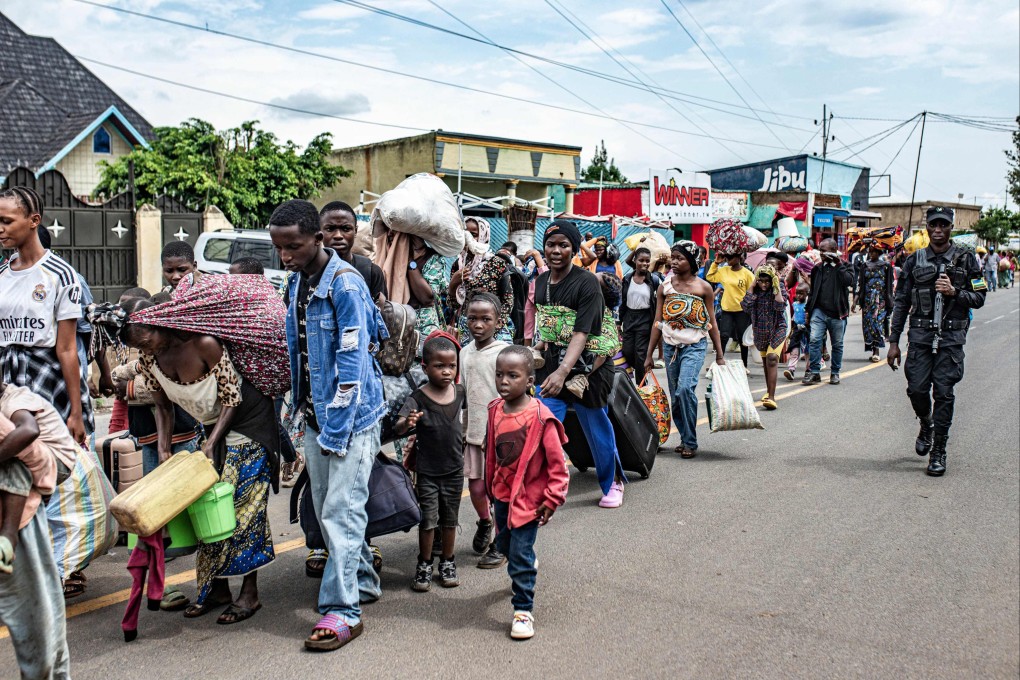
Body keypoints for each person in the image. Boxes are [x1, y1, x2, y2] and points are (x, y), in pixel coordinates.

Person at [113, 299, 278, 625]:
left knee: (242, 508)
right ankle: (216, 588)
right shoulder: (149, 359)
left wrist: (211, 442)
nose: (145, 349)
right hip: (212, 429)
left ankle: (250, 593)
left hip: (249, 422)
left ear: (159, 323)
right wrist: (163, 451)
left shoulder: (204, 343)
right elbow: (163, 407)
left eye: (145, 340)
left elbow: (233, 397)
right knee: (206, 509)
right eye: (137, 346)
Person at [269, 199, 387, 651]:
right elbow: (300, 353)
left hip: (352, 418)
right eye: (278, 248)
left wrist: (335, 426)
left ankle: (344, 611)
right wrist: (299, 412)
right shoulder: (297, 282)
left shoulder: (346, 285)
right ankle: (363, 583)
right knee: (327, 508)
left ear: (317, 239)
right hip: (317, 415)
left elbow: (352, 362)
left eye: (294, 246)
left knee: (341, 509)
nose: (285, 256)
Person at [529, 220, 626, 508]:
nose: (556, 250)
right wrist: (530, 352)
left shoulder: (587, 283)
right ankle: (543, 484)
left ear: (574, 250)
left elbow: (582, 333)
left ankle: (613, 483)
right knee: (543, 422)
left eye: (563, 245)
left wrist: (563, 372)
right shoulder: (541, 281)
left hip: (589, 366)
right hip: (554, 361)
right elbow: (548, 328)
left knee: (595, 425)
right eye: (551, 244)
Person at [887, 206, 985, 476]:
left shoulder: (967, 260)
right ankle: (926, 423)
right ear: (927, 227)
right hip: (919, 337)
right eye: (934, 225)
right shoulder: (913, 260)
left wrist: (955, 292)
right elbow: (901, 302)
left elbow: (980, 296)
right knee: (917, 389)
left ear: (952, 227)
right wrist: (894, 341)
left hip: (951, 338)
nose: (938, 230)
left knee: (944, 393)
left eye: (944, 225)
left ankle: (939, 450)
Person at [484, 345, 569, 640]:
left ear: (530, 380)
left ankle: (523, 610)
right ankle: (525, 560)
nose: (503, 381)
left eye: (512, 375)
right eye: (499, 374)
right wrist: (487, 488)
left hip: (530, 501)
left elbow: (558, 465)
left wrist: (552, 498)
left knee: (518, 555)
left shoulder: (541, 418)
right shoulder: (495, 410)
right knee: (505, 546)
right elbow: (491, 455)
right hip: (502, 496)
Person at [0, 187, 88, 447]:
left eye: (6, 221)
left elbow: (67, 348)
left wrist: (76, 411)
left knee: (47, 458)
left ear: (34, 221)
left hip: (46, 376)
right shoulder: (2, 273)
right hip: (5, 377)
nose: (0, 228)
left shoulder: (61, 275)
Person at [0, 382, 72, 679]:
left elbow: (28, 438)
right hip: (35, 489)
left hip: (47, 473)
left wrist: (9, 534)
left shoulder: (13, 406)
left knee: (39, 630)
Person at [394, 335, 466, 592]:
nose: (447, 371)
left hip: (455, 471)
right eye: (439, 366)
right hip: (427, 473)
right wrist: (408, 423)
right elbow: (400, 424)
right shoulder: (418, 398)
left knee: (450, 520)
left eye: (452, 366)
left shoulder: (459, 392)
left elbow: (465, 418)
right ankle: (424, 564)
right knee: (427, 521)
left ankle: (448, 562)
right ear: (425, 367)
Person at [644, 241, 725, 456]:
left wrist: (720, 355)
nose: (674, 262)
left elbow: (712, 323)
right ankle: (684, 435)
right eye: (673, 257)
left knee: (685, 389)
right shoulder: (665, 287)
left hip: (694, 347)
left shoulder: (703, 287)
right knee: (676, 396)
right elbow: (658, 322)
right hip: (671, 349)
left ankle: (690, 441)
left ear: (691, 261)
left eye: (680, 258)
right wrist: (649, 354)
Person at [458, 292, 509, 569]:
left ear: (498, 322)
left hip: (501, 437)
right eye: (472, 318)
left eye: (485, 319)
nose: (478, 324)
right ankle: (485, 521)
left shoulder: (504, 353)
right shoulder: (464, 352)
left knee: (501, 492)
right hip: (474, 434)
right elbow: (462, 391)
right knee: (476, 488)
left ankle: (500, 544)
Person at [451, 217, 515, 344]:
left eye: (474, 234)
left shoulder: (496, 263)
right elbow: (452, 305)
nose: (468, 238)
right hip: (466, 328)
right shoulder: (458, 265)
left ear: (483, 235)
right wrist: (454, 283)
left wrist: (494, 326)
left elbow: (508, 300)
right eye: (465, 233)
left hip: (493, 327)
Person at [802, 239, 852, 385]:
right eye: (820, 250)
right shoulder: (817, 268)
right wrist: (808, 311)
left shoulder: (845, 266)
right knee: (815, 340)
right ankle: (815, 372)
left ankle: (835, 372)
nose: (821, 253)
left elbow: (848, 281)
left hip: (837, 313)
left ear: (834, 250)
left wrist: (838, 264)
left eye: (824, 251)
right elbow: (813, 291)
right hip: (819, 311)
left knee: (837, 344)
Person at [319, 201, 387, 305]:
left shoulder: (371, 272)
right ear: (319, 233)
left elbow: (380, 317)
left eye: (346, 229)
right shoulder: (307, 273)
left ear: (355, 231)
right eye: (330, 229)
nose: (338, 235)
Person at [741, 265, 788, 410]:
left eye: (767, 281)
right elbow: (745, 306)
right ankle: (769, 392)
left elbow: (781, 307)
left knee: (772, 358)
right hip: (760, 330)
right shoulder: (754, 289)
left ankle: (772, 398)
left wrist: (776, 287)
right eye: (761, 281)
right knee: (766, 363)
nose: (764, 284)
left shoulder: (778, 286)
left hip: (777, 328)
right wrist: (752, 286)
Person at [706, 252, 755, 369]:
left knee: (742, 339)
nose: (728, 259)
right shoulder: (724, 270)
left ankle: (744, 365)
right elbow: (710, 276)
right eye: (726, 257)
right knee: (723, 336)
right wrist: (716, 263)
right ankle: (719, 362)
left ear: (739, 257)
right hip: (727, 310)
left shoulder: (747, 274)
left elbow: (752, 291)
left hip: (742, 311)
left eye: (731, 257)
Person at [620, 247, 660, 384]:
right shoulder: (627, 279)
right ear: (635, 261)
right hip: (629, 318)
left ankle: (642, 386)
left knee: (640, 353)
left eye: (647, 261)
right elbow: (623, 301)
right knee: (627, 351)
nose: (644, 263)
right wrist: (619, 321)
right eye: (641, 260)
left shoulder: (653, 280)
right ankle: (640, 373)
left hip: (645, 319)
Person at [853, 246, 894, 363]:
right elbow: (860, 284)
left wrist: (890, 300)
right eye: (870, 252)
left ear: (879, 252)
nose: (871, 254)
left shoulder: (886, 266)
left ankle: (877, 351)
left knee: (877, 324)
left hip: (881, 301)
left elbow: (889, 285)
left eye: (874, 252)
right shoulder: (864, 266)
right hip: (867, 301)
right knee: (868, 326)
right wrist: (855, 301)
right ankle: (872, 349)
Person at [783, 286, 810, 381]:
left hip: (806, 331)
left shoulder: (808, 305)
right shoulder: (794, 304)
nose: (798, 296)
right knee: (794, 351)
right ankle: (791, 370)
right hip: (797, 331)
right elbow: (793, 317)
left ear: (807, 294)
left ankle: (808, 370)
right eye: (797, 293)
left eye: (801, 293)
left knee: (808, 352)